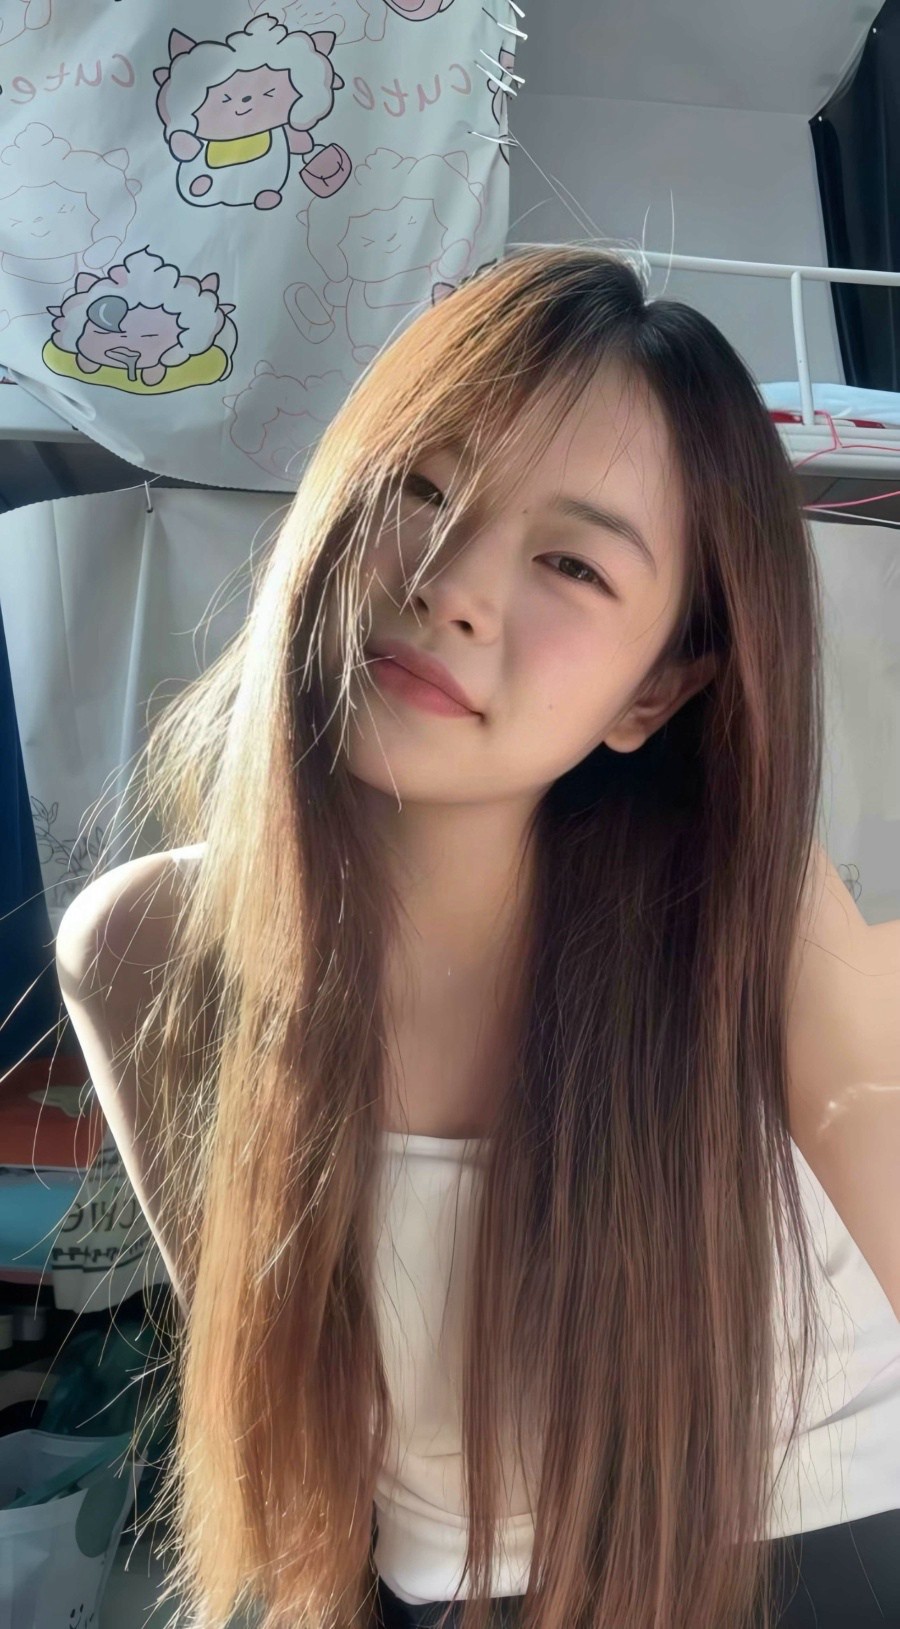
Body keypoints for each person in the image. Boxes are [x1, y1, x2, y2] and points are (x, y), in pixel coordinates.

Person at [54, 245, 900, 1629]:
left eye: (571, 561)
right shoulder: (147, 946)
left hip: (818, 1560)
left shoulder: (751, 915)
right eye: (423, 488)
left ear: (656, 691)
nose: (452, 582)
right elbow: (301, 1436)